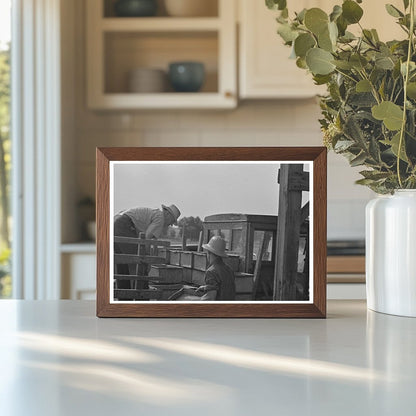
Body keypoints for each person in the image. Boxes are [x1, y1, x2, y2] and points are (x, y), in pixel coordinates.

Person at [114, 204, 181, 289]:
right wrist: (147, 259)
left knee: (123, 264)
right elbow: (147, 239)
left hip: (116, 224)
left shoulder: (155, 214)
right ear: (168, 215)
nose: (171, 224)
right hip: (123, 227)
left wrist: (147, 255)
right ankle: (142, 295)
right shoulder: (160, 218)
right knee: (140, 263)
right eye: (172, 221)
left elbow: (147, 239)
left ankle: (124, 296)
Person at [195, 236, 236, 301]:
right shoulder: (229, 269)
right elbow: (223, 287)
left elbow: (210, 298)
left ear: (209, 252)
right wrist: (206, 287)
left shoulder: (211, 272)